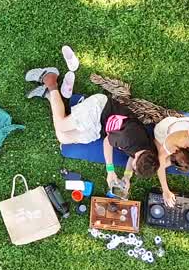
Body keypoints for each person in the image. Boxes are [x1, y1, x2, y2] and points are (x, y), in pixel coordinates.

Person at [28, 63, 157, 199]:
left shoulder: (148, 150)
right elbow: (107, 142)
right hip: (99, 109)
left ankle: (50, 95)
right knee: (61, 125)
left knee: (63, 137)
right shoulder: (128, 138)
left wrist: (127, 176)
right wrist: (110, 170)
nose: (134, 168)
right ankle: (50, 79)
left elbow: (132, 156)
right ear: (139, 157)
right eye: (135, 168)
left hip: (100, 128)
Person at [90, 73, 189, 207]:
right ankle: (185, 157)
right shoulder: (165, 147)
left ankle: (187, 158)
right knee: (166, 160)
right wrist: (165, 190)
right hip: (166, 131)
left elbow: (158, 163)